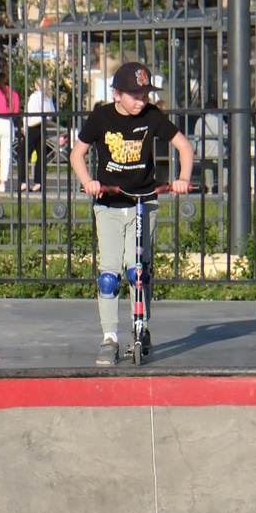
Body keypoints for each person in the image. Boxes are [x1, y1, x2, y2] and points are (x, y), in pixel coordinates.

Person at [70, 60, 195, 366]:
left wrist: (183, 179)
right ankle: (109, 338)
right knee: (109, 277)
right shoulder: (100, 117)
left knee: (137, 272)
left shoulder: (153, 116)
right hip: (110, 204)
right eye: (135, 94)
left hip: (144, 202)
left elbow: (184, 147)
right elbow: (77, 154)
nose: (142, 100)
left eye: (145, 94)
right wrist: (89, 182)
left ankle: (141, 327)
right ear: (116, 94)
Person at [23, 76, 55, 191]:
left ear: (36, 84)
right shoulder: (48, 97)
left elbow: (30, 112)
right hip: (44, 125)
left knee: (24, 153)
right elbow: (52, 113)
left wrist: (25, 126)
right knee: (41, 155)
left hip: (33, 125)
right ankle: (39, 182)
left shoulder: (34, 96)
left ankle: (23, 182)